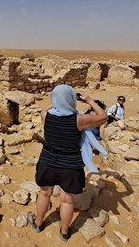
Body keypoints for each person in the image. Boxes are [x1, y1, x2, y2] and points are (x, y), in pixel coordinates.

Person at [27, 84, 107, 242]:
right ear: (72, 100)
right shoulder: (80, 120)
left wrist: (57, 101)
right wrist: (89, 100)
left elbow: (51, 107)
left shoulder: (45, 115)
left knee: (44, 194)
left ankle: (38, 223)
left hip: (48, 161)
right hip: (71, 165)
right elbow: (103, 117)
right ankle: (64, 232)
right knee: (67, 201)